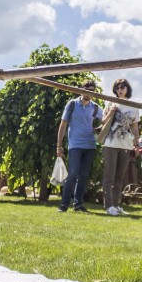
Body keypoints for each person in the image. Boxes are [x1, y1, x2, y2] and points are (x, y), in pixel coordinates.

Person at [56, 80, 104, 212]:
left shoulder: (95, 107)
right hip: (75, 144)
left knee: (83, 176)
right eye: (86, 90)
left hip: (90, 145)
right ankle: (64, 205)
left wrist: (98, 129)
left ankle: (78, 205)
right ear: (81, 90)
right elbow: (63, 125)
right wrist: (59, 146)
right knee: (73, 174)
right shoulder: (72, 104)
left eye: (91, 91)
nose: (88, 93)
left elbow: (107, 120)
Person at [100, 79, 140, 216]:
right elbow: (103, 121)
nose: (119, 90)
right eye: (117, 87)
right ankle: (109, 206)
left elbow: (135, 127)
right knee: (109, 176)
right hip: (110, 144)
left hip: (126, 145)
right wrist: (111, 112)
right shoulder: (110, 102)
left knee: (120, 178)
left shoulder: (134, 106)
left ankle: (116, 205)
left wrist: (137, 145)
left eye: (122, 87)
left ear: (127, 88)